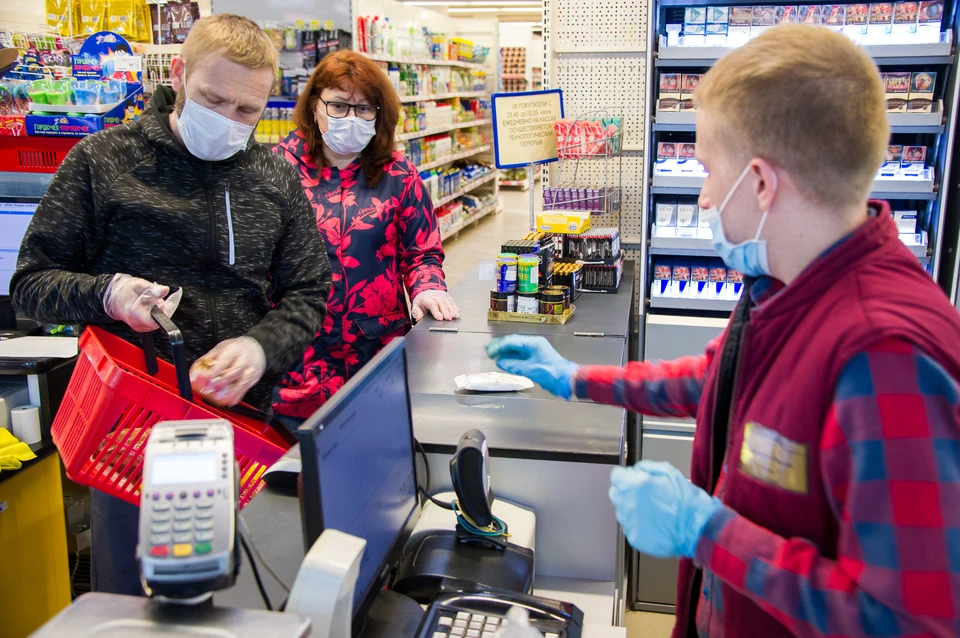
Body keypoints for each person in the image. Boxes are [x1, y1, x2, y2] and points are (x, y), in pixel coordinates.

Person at [487, 24, 960, 637]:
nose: (704, 197)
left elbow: (908, 623)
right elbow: (719, 379)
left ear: (761, 184)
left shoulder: (886, 353)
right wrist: (577, 379)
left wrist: (710, 533)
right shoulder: (786, 284)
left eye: (708, 170)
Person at [11, 14, 332, 595]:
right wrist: (106, 293)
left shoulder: (274, 177)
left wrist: (262, 347)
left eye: (248, 111)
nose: (231, 121)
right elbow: (32, 281)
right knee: (140, 605)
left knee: (241, 599)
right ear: (180, 75)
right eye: (215, 100)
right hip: (131, 438)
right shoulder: (102, 160)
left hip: (245, 431)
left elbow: (310, 290)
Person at [272, 50, 459, 422]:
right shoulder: (278, 169)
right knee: (302, 470)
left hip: (378, 352)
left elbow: (420, 252)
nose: (351, 118)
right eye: (338, 105)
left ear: (379, 113)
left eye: (364, 109)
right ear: (314, 106)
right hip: (300, 360)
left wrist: (427, 287)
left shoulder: (399, 174)